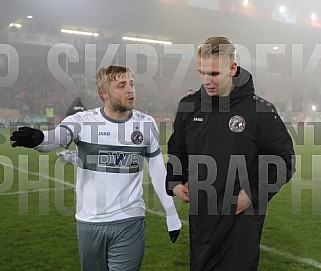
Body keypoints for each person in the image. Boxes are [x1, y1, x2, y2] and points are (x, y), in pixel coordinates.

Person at [11, 65, 182, 271]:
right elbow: (54, 139)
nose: (130, 90)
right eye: (121, 86)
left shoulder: (146, 124)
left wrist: (172, 216)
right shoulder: (83, 121)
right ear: (104, 94)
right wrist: (37, 139)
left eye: (132, 84)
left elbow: (157, 172)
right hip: (89, 221)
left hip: (130, 220)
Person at [165, 36, 295, 271]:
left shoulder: (259, 110)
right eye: (201, 72)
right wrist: (174, 182)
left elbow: (284, 161)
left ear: (232, 68)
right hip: (202, 215)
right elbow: (177, 149)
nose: (206, 80)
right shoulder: (189, 106)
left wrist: (253, 194)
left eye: (213, 74)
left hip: (241, 218)